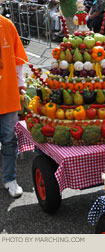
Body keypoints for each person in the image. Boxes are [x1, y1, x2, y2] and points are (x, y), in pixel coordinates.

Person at [0, 14, 28, 198]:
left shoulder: (7, 25)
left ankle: (9, 179)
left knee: (9, 140)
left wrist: (21, 84)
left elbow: (18, 60)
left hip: (7, 94)